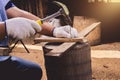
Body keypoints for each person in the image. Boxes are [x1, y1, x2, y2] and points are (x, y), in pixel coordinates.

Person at [0, 0, 78, 80]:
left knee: (32, 71)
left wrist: (53, 30)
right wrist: (5, 27)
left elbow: (16, 13)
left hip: (2, 59)